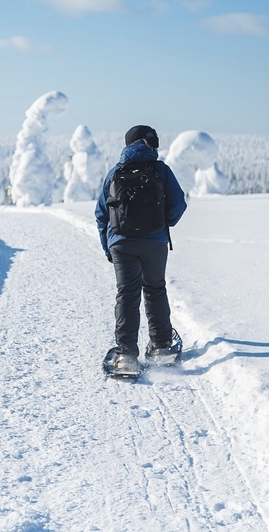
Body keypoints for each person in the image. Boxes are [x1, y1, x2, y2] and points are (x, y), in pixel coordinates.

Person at [96, 125, 187, 373]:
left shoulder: (115, 172)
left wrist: (109, 247)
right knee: (155, 288)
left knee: (127, 294)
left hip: (121, 244)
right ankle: (161, 347)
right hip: (155, 243)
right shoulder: (162, 171)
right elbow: (178, 205)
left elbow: (101, 214)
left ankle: (126, 355)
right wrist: (161, 224)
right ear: (151, 143)